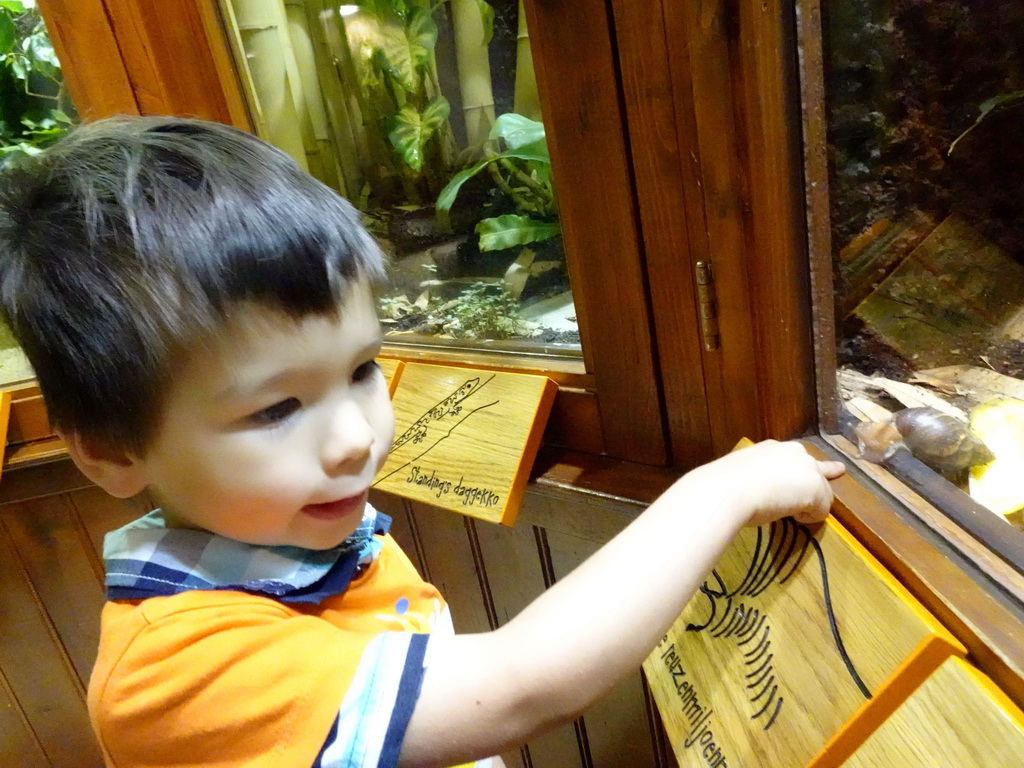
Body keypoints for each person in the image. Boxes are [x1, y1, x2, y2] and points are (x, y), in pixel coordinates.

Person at [0, 116, 845, 768]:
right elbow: (522, 685)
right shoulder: (176, 671)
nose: (355, 438)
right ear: (111, 450)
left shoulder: (307, 540)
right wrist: (724, 489)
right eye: (273, 410)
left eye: (363, 369)